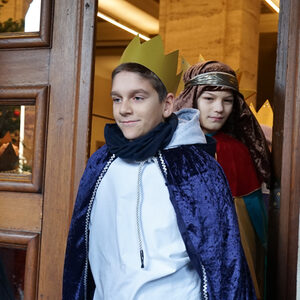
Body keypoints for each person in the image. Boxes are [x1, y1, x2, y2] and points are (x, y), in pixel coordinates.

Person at [63, 37, 256, 300]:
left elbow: (224, 263)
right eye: (117, 99)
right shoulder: (100, 163)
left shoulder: (197, 169)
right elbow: (80, 254)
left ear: (167, 105)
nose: (124, 110)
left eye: (138, 97)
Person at [174, 60, 271, 299]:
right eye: (209, 99)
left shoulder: (236, 150)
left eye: (227, 101)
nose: (219, 108)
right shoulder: (169, 147)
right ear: (192, 99)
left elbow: (253, 223)